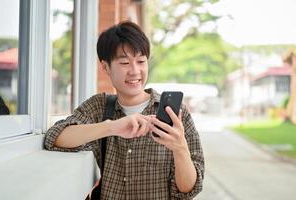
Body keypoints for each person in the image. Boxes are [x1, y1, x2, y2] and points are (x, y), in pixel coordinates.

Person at [44, 21, 204, 200]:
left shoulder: (176, 114)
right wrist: (111, 127)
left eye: (141, 61)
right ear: (106, 67)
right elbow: (54, 137)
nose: (135, 71)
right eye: (125, 62)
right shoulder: (100, 107)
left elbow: (189, 189)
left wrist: (179, 147)